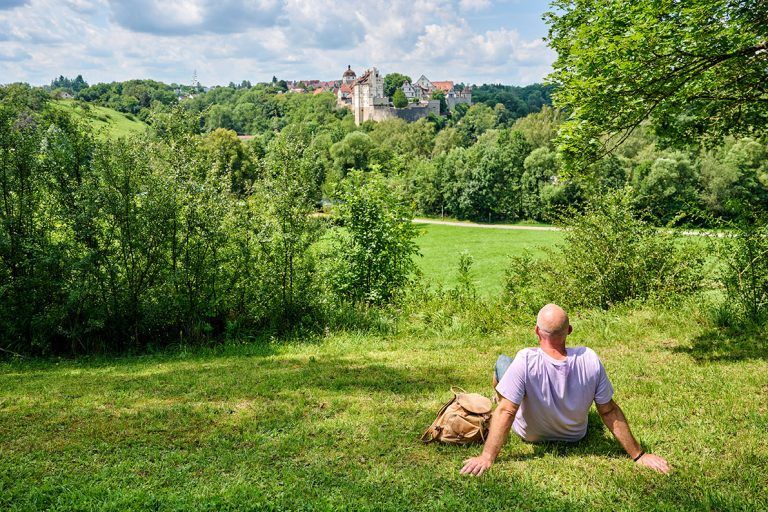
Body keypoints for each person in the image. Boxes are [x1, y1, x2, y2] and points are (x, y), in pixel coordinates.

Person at [460, 303, 670, 476]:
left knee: (503, 362)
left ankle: (502, 395)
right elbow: (609, 411)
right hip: (575, 435)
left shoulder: (525, 359)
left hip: (531, 435)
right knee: (514, 372)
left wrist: (486, 457)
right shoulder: (590, 358)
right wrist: (639, 455)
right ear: (569, 331)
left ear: (536, 332)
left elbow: (507, 411)